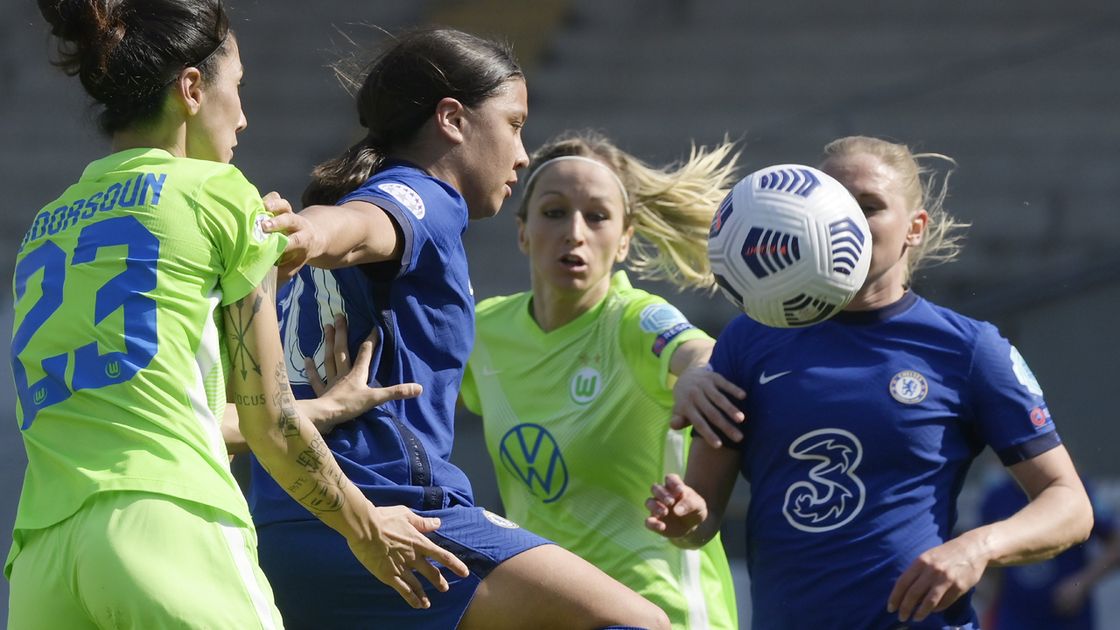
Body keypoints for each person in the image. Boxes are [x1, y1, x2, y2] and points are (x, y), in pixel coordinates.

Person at [8, 2, 466, 627]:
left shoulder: (47, 227)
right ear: (192, 89)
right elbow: (269, 425)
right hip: (170, 526)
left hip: (44, 555)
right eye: (238, 88)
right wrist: (365, 527)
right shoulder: (220, 194)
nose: (245, 117)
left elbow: (158, 404)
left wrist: (325, 408)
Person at [249, 27, 671, 630]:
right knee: (641, 623)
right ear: (453, 119)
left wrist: (311, 233)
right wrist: (313, 234)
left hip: (287, 526)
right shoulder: (425, 193)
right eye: (515, 123)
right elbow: (362, 225)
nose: (523, 155)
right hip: (395, 512)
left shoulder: (353, 202)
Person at [645, 135, 1095, 629]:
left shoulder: (968, 349)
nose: (847, 222)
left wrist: (977, 548)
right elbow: (702, 513)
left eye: (870, 207)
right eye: (834, 205)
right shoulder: (750, 341)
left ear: (914, 228)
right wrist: (687, 520)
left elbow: (1069, 504)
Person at [458, 130, 742, 629]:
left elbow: (697, 352)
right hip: (555, 613)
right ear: (522, 231)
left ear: (625, 239)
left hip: (662, 614)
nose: (575, 232)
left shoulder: (634, 321)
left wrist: (699, 374)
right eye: (553, 212)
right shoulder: (485, 332)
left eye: (597, 216)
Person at [979, 472, 1120, 629]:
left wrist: (1081, 583)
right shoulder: (996, 498)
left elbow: (1116, 543)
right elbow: (987, 560)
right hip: (1014, 618)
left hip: (1067, 619)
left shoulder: (1075, 491)